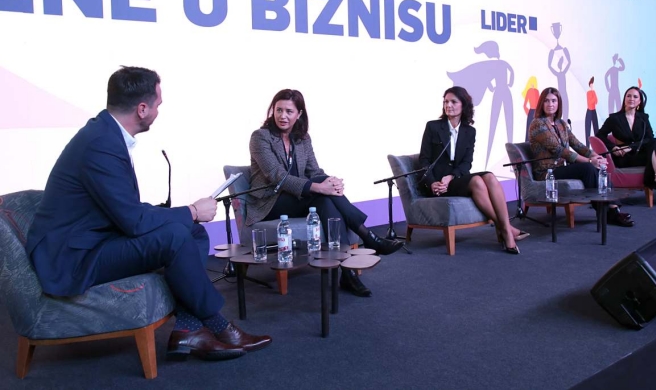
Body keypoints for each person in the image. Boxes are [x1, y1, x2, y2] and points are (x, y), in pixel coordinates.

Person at [25, 66, 270, 362]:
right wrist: (192, 210)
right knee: (177, 234)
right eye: (157, 105)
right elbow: (133, 220)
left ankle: (188, 328)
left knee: (191, 231)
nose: (158, 111)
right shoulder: (101, 144)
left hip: (93, 239)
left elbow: (125, 209)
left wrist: (188, 216)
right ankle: (217, 325)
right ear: (142, 109)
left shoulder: (104, 134)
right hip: (72, 258)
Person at [245, 89, 403, 298]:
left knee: (326, 201)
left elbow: (314, 171)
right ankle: (368, 237)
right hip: (270, 201)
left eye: (289, 111)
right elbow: (277, 176)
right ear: (272, 110)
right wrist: (320, 187)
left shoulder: (302, 138)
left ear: (299, 114)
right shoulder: (260, 137)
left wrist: (331, 182)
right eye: (279, 110)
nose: (283, 116)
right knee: (322, 192)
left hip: (299, 198)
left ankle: (347, 271)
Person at [418, 86, 528, 254]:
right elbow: (424, 160)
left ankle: (504, 228)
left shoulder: (469, 131)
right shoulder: (433, 127)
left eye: (453, 102)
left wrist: (452, 176)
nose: (448, 105)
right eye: (446, 102)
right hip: (438, 184)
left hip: (455, 179)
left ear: (463, 105)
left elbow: (466, 163)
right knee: (476, 181)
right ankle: (506, 229)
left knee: (489, 177)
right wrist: (432, 183)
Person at [528, 87, 633, 227]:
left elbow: (577, 144)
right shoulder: (537, 124)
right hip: (547, 172)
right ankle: (607, 212)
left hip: (560, 168)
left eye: (554, 101)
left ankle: (612, 209)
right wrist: (589, 161)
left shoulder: (561, 123)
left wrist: (596, 156)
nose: (550, 104)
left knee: (599, 169)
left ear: (559, 103)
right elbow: (559, 150)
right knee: (587, 168)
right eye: (546, 101)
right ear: (541, 103)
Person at [584, 76, 599, 143]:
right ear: (590, 85)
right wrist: (593, 93)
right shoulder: (588, 93)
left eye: (593, 84)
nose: (592, 86)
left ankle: (598, 143)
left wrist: (593, 91)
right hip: (589, 111)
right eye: (591, 84)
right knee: (588, 129)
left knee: (596, 128)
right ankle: (587, 145)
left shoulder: (593, 92)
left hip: (594, 111)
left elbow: (596, 101)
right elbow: (590, 102)